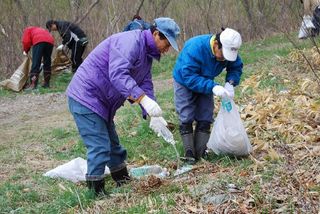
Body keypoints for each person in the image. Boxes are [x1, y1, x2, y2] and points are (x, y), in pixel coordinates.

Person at [66, 17, 180, 196]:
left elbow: (145, 83)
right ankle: (95, 192)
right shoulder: (131, 41)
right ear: (156, 34)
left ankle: (122, 180)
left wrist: (152, 113)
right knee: (100, 145)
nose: (167, 49)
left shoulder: (146, 54)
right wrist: (142, 98)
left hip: (103, 102)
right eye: (167, 43)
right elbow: (118, 74)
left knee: (113, 145)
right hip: (87, 96)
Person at [172, 28, 243, 164]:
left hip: (206, 80)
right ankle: (189, 153)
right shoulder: (195, 48)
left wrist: (230, 82)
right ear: (216, 44)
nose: (224, 58)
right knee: (186, 115)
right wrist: (212, 87)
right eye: (223, 54)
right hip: (184, 80)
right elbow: (189, 76)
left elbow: (235, 67)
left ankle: (201, 152)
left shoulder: (229, 50)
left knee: (205, 115)